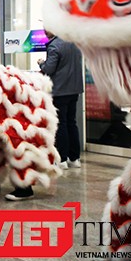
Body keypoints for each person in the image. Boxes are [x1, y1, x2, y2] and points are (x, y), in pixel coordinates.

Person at [38, 30, 84, 170]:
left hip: (59, 91)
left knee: (61, 124)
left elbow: (49, 69)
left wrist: (41, 64)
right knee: (71, 122)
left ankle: (62, 159)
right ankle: (74, 158)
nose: (45, 32)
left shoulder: (54, 46)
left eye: (46, 29)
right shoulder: (74, 43)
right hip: (74, 90)